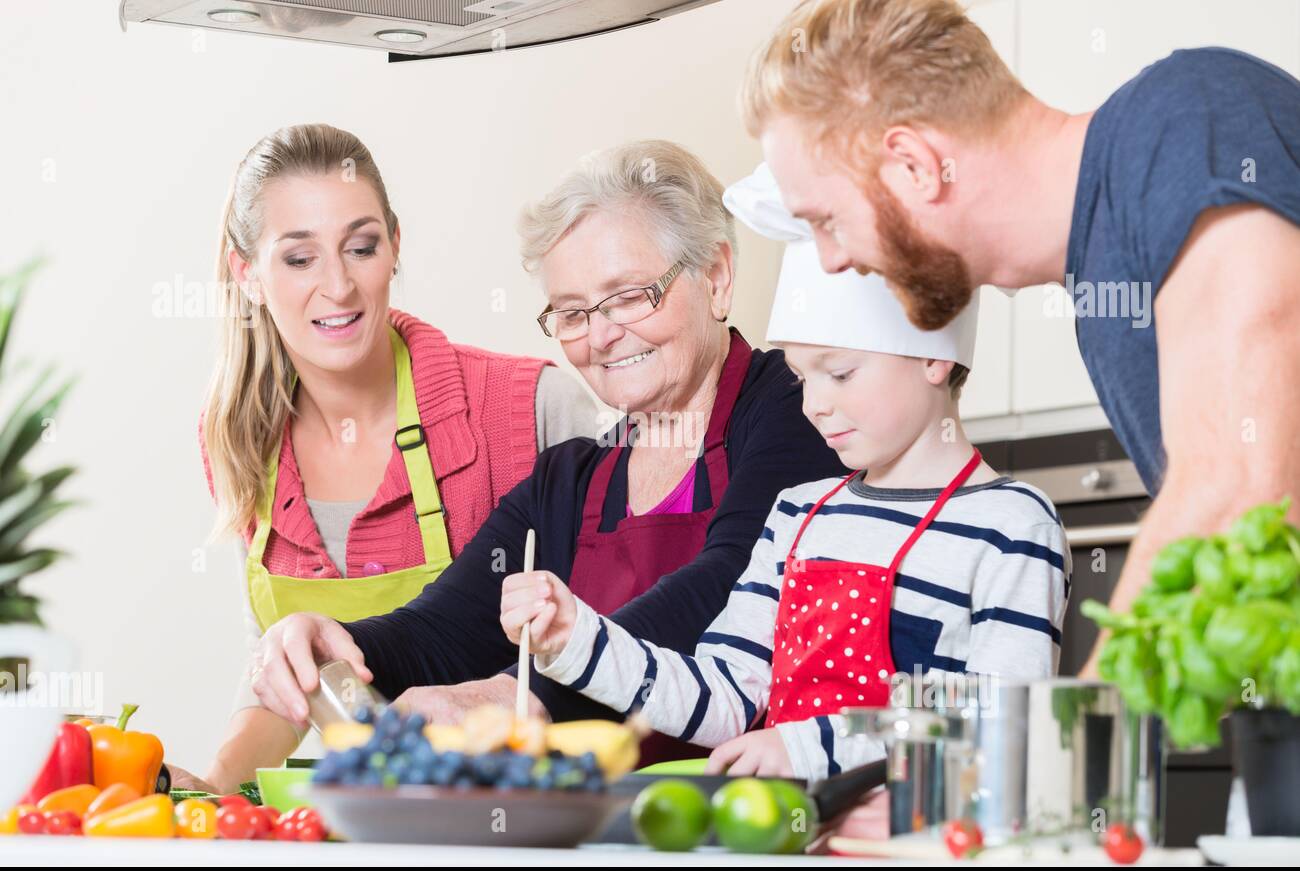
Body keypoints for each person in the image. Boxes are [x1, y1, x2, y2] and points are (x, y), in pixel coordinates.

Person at [740, 0, 1300, 688]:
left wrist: (1064, 753)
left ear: (915, 166)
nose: (830, 260)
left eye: (828, 219)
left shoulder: (1188, 116)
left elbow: (1241, 495)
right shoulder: (1099, 285)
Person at [240, 141, 846, 769]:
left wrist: (521, 696)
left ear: (715, 276)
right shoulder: (572, 480)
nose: (604, 336)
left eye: (631, 295)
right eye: (573, 312)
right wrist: (331, 641)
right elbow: (445, 631)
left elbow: (730, 584)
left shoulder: (799, 409)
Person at [498, 162, 1069, 781]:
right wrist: (578, 637)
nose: (814, 403)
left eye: (841, 373)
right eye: (801, 377)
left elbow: (1001, 725)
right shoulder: (799, 514)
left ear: (932, 353)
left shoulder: (1010, 525)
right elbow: (720, 698)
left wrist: (806, 748)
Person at [173, 123, 598, 795]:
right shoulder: (241, 436)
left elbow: (644, 633)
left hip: (533, 819)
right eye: (299, 258)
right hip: (378, 821)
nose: (338, 286)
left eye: (361, 247)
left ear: (394, 247)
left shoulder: (533, 410)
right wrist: (209, 796)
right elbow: (291, 672)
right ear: (246, 272)